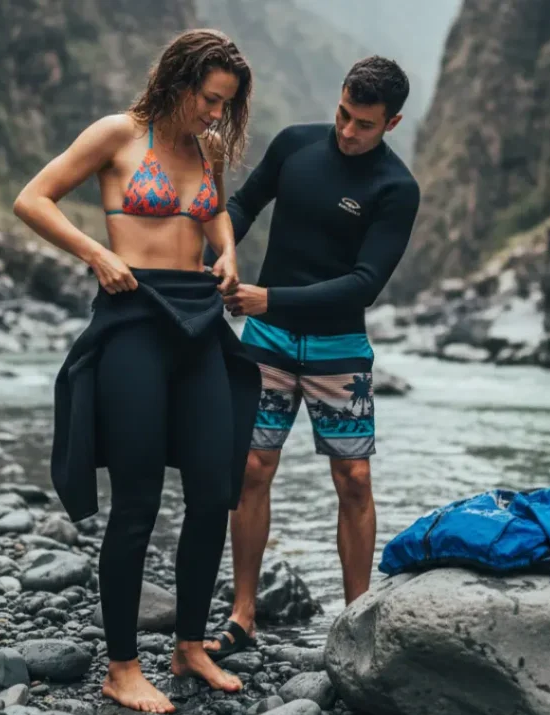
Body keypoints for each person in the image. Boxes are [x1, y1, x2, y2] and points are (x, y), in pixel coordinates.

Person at [13, 29, 260, 713]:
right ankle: (122, 665)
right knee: (139, 501)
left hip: (200, 322)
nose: (216, 114)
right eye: (209, 99)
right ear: (180, 82)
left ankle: (188, 644)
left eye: (226, 104)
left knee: (214, 488)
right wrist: (97, 253)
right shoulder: (117, 134)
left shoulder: (206, 148)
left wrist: (229, 254)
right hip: (133, 321)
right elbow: (33, 199)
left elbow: (214, 217)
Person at [203, 56, 421, 660]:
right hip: (267, 342)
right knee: (250, 468)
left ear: (392, 122)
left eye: (365, 125)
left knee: (353, 480)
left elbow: (364, 284)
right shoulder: (296, 146)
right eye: (344, 114)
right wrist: (218, 254)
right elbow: (241, 206)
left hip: (338, 348)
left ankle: (354, 622)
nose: (348, 131)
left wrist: (267, 297)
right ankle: (243, 614)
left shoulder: (397, 189)